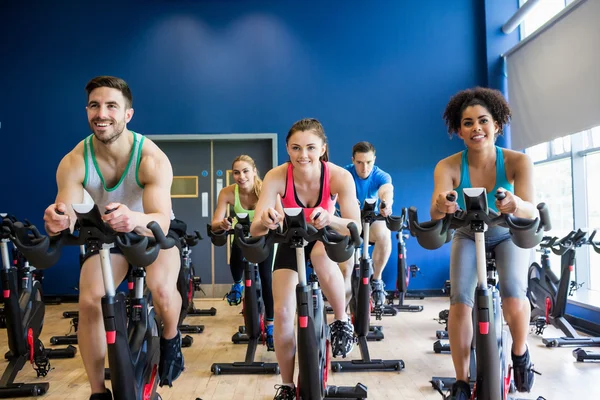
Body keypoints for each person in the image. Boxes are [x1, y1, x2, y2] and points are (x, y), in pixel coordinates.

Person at [43, 76, 184, 399]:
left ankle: (171, 339)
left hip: (150, 229)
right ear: (87, 111)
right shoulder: (75, 160)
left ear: (127, 115)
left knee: (162, 289)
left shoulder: (152, 159)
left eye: (111, 106)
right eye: (94, 105)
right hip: (108, 232)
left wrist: (134, 218)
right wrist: (58, 219)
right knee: (90, 301)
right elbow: (68, 208)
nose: (101, 113)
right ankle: (97, 392)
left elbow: (160, 217)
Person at [430, 87, 538, 399]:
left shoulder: (518, 161)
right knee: (460, 302)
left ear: (497, 125)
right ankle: (462, 381)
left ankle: (520, 354)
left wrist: (515, 202)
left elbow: (531, 208)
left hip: (508, 232)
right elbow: (435, 208)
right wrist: (444, 203)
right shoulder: (448, 166)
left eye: (483, 120)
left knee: (513, 295)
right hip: (467, 233)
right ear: (459, 130)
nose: (476, 127)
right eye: (467, 123)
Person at [250, 118, 361, 400]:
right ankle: (287, 385)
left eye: (310, 147)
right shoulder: (277, 176)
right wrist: (267, 220)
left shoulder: (338, 176)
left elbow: (355, 226)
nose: (303, 155)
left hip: (326, 237)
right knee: (284, 314)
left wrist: (331, 218)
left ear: (322, 148)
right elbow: (256, 228)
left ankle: (341, 319)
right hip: (291, 240)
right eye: (296, 148)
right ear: (287, 148)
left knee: (321, 256)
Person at [211, 154, 276, 351]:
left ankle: (271, 326)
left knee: (266, 280)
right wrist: (222, 223)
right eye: (236, 173)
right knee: (238, 240)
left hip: (265, 238)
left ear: (254, 172)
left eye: (246, 171)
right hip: (242, 240)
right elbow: (215, 222)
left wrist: (273, 221)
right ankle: (237, 284)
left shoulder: (266, 189)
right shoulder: (228, 193)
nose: (241, 176)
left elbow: (280, 215)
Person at [340, 141, 394, 307]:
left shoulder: (381, 175)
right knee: (346, 269)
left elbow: (386, 190)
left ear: (374, 160)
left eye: (369, 162)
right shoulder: (344, 174)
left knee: (385, 234)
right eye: (360, 162)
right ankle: (342, 313)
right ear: (353, 160)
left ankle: (376, 279)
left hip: (370, 221)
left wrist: (387, 203)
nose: (365, 168)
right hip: (348, 221)